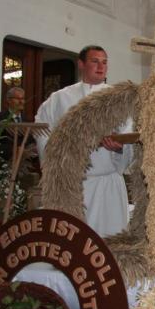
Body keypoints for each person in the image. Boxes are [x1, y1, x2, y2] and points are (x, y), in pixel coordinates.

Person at [35, 45, 133, 238]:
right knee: (73, 242)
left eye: (104, 62)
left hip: (107, 183)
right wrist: (56, 157)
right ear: (81, 64)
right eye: (95, 61)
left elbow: (128, 131)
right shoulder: (61, 98)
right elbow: (42, 127)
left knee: (109, 244)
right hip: (72, 184)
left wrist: (120, 148)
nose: (101, 66)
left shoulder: (118, 100)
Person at [0, 86, 29, 163]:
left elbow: (29, 140)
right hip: (4, 161)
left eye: (23, 99)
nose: (21, 102)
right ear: (9, 100)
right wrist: (14, 150)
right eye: (18, 99)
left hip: (24, 162)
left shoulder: (27, 119)